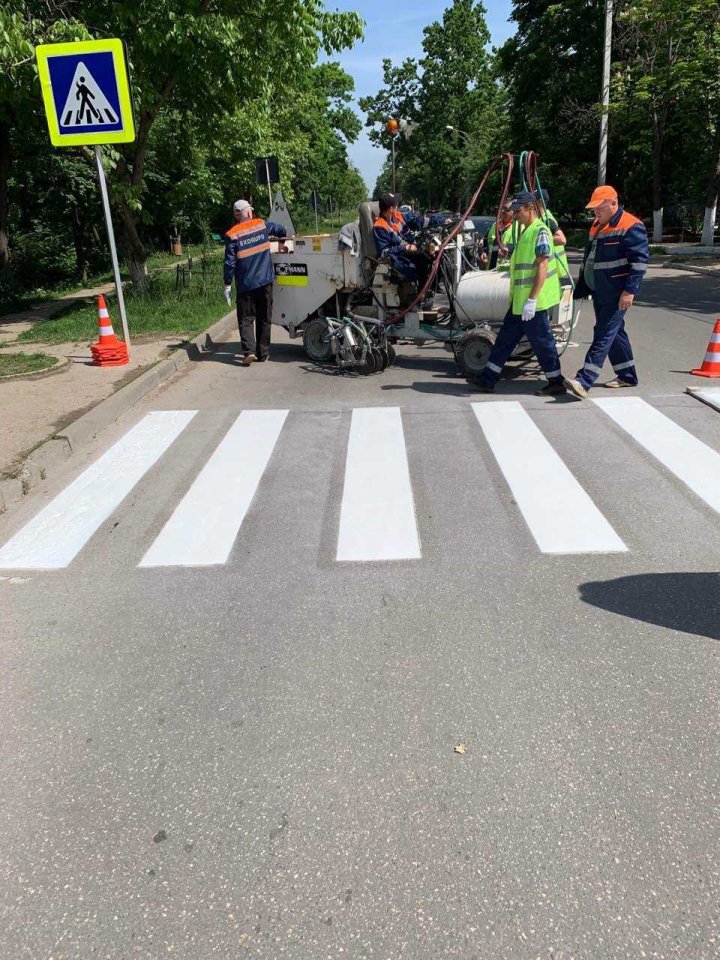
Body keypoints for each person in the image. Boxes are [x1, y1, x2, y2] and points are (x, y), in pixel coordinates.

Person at [469, 190, 566, 397]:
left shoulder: (540, 230)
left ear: (531, 208)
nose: (515, 215)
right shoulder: (526, 230)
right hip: (520, 302)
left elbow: (541, 267)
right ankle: (488, 379)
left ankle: (556, 381)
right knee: (504, 340)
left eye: (518, 210)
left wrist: (531, 300)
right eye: (513, 211)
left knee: (543, 343)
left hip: (533, 303)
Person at [565, 185, 649, 398]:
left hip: (616, 292)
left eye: (599, 208)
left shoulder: (631, 225)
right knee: (614, 331)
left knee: (603, 333)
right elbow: (591, 258)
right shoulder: (597, 225)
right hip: (599, 290)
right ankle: (627, 375)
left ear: (614, 203)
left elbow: (639, 263)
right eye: (594, 209)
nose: (596, 212)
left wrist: (629, 291)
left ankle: (585, 379)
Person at [223, 199, 287, 366]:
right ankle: (263, 352)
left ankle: (249, 351)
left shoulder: (232, 234)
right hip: (265, 281)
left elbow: (229, 263)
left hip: (245, 284)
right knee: (264, 317)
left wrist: (227, 284)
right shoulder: (262, 225)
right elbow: (282, 230)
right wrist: (281, 243)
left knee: (245, 318)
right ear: (249, 212)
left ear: (236, 215)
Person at [534, 188, 570, 284]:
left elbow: (562, 239)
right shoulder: (542, 219)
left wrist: (539, 240)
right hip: (553, 268)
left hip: (556, 269)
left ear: (540, 201)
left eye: (533, 201)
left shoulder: (547, 220)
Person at [484, 205, 516, 270]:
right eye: (502, 209)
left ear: (514, 212)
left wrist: (509, 248)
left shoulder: (519, 227)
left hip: (506, 272)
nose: (502, 211)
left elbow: (520, 246)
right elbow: (486, 242)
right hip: (490, 269)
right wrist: (483, 252)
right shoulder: (495, 225)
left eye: (506, 210)